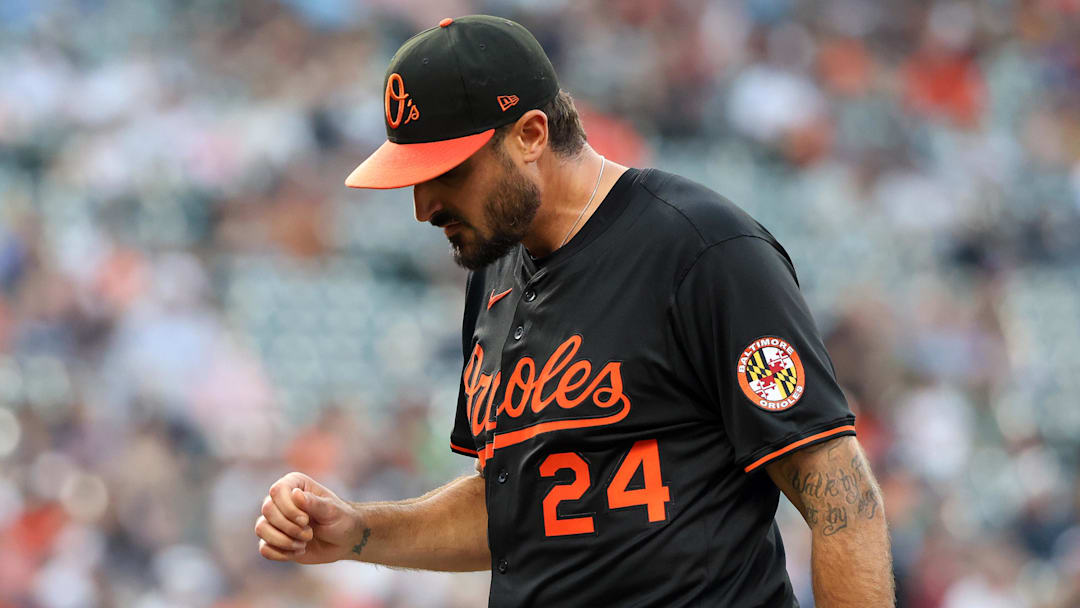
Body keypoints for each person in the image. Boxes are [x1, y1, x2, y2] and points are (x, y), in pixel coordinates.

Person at [254, 15, 894, 607]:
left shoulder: (703, 253)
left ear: (530, 135)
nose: (423, 206)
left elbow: (838, 492)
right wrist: (361, 531)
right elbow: (519, 501)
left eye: (446, 171)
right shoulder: (496, 264)